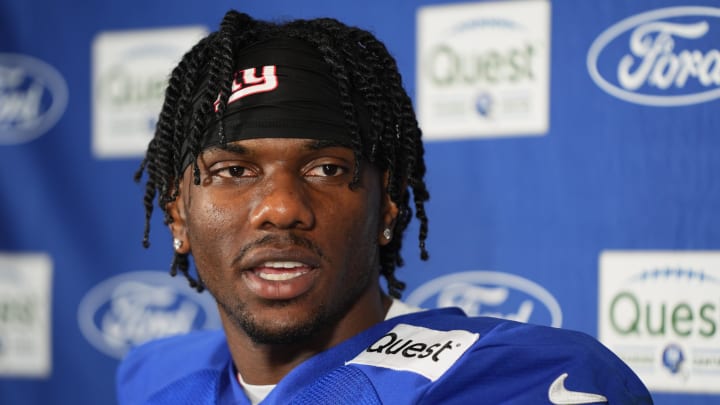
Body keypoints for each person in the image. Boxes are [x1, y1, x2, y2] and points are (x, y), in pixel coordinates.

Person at [118, 10, 653, 405]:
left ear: (389, 206)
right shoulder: (154, 377)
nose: (281, 208)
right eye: (234, 172)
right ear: (178, 215)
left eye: (326, 169)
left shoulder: (524, 378)